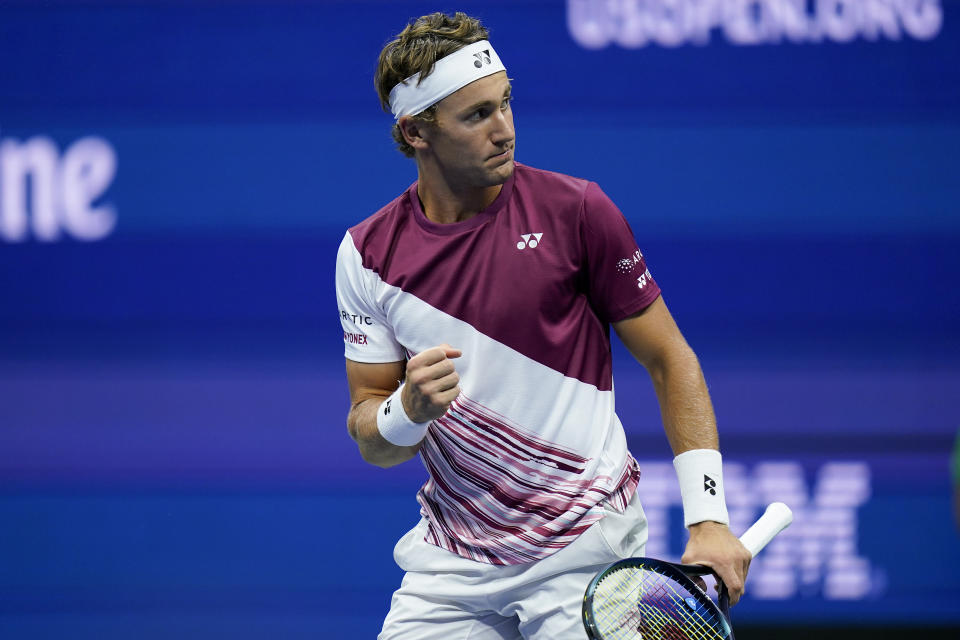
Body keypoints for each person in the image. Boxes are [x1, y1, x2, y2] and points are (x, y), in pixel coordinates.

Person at [335, 11, 752, 639]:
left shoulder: (578, 211)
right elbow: (373, 438)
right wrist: (406, 410)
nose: (503, 129)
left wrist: (709, 517)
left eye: (505, 105)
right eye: (476, 115)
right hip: (453, 565)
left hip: (585, 549)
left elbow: (670, 358)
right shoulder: (366, 255)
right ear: (416, 131)